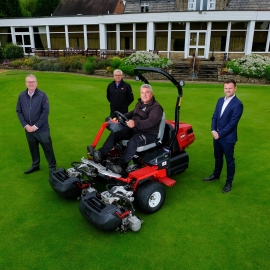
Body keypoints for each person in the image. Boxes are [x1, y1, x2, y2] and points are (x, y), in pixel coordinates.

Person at [91, 84, 163, 175]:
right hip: (135, 129)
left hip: (148, 133)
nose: (144, 95)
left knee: (133, 141)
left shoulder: (156, 108)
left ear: (152, 94)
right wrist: (122, 116)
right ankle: (101, 154)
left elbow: (151, 122)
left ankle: (121, 166)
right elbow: (133, 112)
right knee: (117, 133)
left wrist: (135, 123)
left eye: (147, 92)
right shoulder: (140, 103)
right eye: (142, 92)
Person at [204, 79, 243, 193]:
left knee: (229, 161)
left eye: (230, 88)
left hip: (228, 139)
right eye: (226, 88)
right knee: (218, 157)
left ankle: (228, 183)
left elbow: (232, 123)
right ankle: (216, 175)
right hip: (216, 136)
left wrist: (219, 134)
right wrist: (213, 130)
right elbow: (215, 116)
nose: (228, 90)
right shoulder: (220, 100)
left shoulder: (238, 104)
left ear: (235, 88)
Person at [16, 74, 57, 175]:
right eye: (29, 82)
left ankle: (52, 167)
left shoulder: (42, 95)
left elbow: (45, 112)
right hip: (28, 129)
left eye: (33, 82)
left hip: (42, 129)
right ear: (26, 83)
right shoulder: (21, 96)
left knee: (48, 148)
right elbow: (19, 111)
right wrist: (26, 125)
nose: (31, 84)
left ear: (36, 83)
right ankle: (35, 165)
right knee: (33, 147)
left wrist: (35, 126)